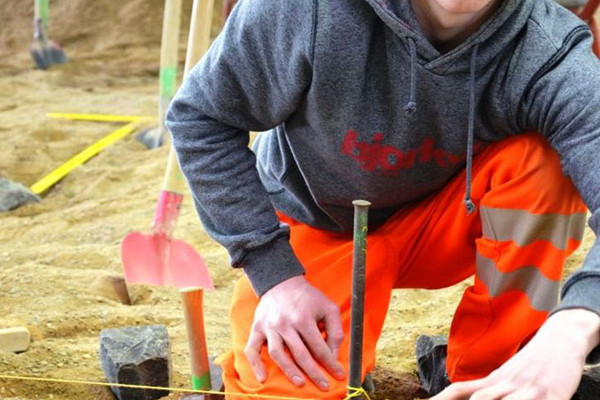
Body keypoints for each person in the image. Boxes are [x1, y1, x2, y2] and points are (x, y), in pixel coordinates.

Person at [166, 0, 600, 398]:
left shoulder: (547, 48)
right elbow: (202, 117)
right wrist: (274, 274)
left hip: (444, 226)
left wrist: (575, 325)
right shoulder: (306, 9)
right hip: (314, 231)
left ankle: (496, 368)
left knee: (544, 163)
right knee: (288, 386)